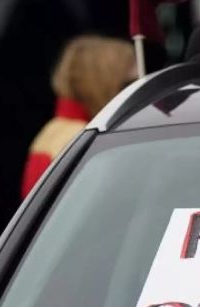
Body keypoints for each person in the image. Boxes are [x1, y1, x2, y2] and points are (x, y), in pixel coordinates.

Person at [21, 35, 137, 199]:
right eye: (129, 81)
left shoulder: (55, 129)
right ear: (103, 80)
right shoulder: (85, 137)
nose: (139, 77)